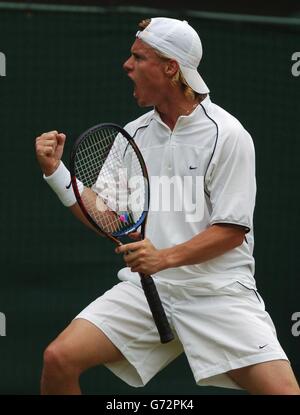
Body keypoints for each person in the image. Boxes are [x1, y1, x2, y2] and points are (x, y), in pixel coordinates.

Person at [35, 17, 299, 395]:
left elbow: (231, 233)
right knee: (59, 358)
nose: (127, 65)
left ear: (171, 67)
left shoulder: (228, 135)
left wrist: (163, 258)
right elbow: (109, 217)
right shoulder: (134, 135)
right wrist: (56, 172)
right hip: (148, 291)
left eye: (138, 57)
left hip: (218, 292)